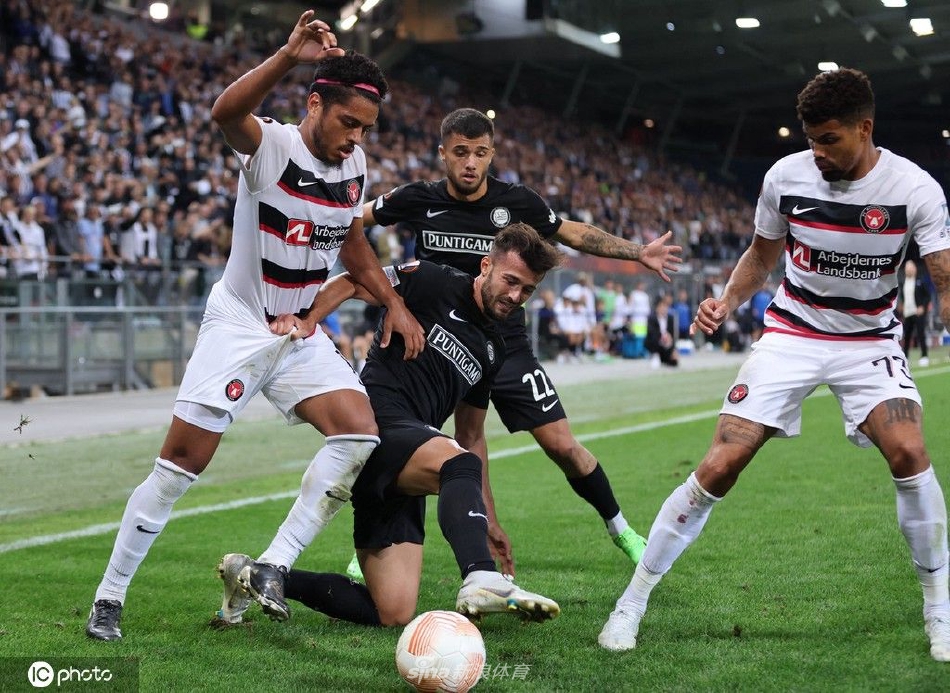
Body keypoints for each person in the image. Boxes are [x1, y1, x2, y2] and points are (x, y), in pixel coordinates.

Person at [85, 11, 424, 641]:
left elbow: (351, 244)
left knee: (359, 433)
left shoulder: (353, 166)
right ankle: (110, 596)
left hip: (297, 336)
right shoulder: (272, 147)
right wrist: (288, 56)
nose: (356, 137)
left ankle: (272, 565)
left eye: (366, 128)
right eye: (349, 122)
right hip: (240, 325)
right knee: (180, 465)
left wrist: (393, 304)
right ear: (315, 103)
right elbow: (224, 112)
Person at [598, 67, 950, 662]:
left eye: (829, 140)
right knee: (721, 463)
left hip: (869, 340)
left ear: (865, 129)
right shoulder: (785, 176)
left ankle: (939, 611)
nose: (818, 152)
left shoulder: (914, 189)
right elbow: (762, 257)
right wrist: (726, 301)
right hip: (791, 333)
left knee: (910, 453)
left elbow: (944, 276)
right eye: (811, 140)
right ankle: (629, 605)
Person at [362, 108, 682, 576]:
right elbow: (352, 221)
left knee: (562, 445)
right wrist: (391, 298)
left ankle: (622, 530)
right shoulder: (417, 199)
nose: (470, 163)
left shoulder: (516, 202)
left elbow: (571, 231)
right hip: (438, 347)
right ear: (443, 154)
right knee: (407, 444)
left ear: (492, 154)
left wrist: (637, 252)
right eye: (460, 152)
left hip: (505, 343)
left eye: (480, 153)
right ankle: (375, 546)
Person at [218, 222, 561, 626]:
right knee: (458, 462)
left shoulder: (494, 348)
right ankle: (480, 577)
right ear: (486, 266)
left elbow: (471, 435)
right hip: (378, 425)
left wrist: (488, 518)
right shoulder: (433, 280)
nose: (516, 296)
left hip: (411, 456)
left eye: (527, 290)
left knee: (392, 610)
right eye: (511, 281)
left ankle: (253, 574)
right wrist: (309, 320)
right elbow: (352, 281)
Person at [900, 259, 931, 367]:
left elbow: (927, 296)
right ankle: (905, 357)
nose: (908, 270)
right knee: (907, 336)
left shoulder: (920, 280)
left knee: (921, 334)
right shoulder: (903, 282)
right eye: (907, 268)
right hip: (907, 313)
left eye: (910, 267)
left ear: (915, 269)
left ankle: (924, 356)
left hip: (918, 312)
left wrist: (922, 307)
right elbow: (903, 297)